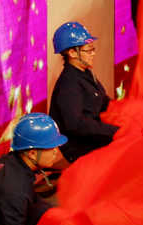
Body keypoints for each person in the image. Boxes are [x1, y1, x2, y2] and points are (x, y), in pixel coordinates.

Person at [0, 113, 64, 225]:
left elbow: (33, 201)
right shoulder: (14, 190)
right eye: (51, 147)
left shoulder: (14, 163)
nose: (56, 151)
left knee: (41, 208)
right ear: (32, 153)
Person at [47, 22, 117, 164]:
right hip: (82, 146)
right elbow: (76, 123)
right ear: (72, 53)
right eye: (89, 50)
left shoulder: (85, 73)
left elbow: (103, 102)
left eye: (93, 49)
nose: (93, 54)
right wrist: (114, 131)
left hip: (94, 138)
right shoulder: (69, 83)